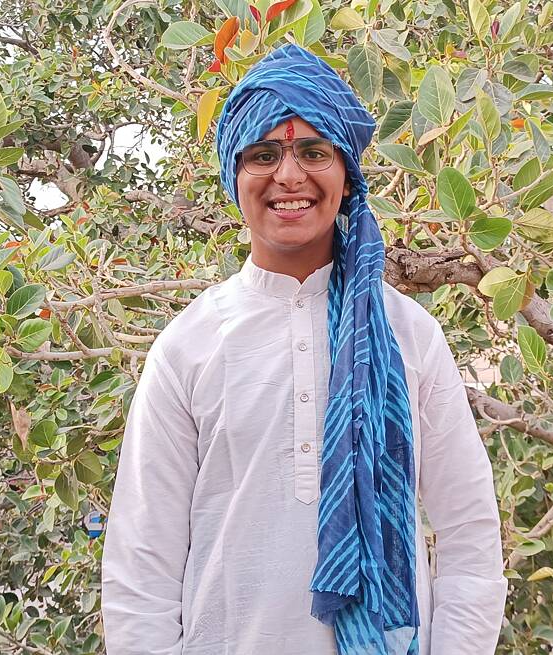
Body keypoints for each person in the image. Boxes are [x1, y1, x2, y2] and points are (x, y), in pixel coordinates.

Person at [101, 44, 507, 655]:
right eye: (264, 155)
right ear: (233, 177)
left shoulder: (409, 334)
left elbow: (469, 532)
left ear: (347, 179)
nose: (289, 176)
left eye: (314, 152)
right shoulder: (189, 345)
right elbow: (142, 561)